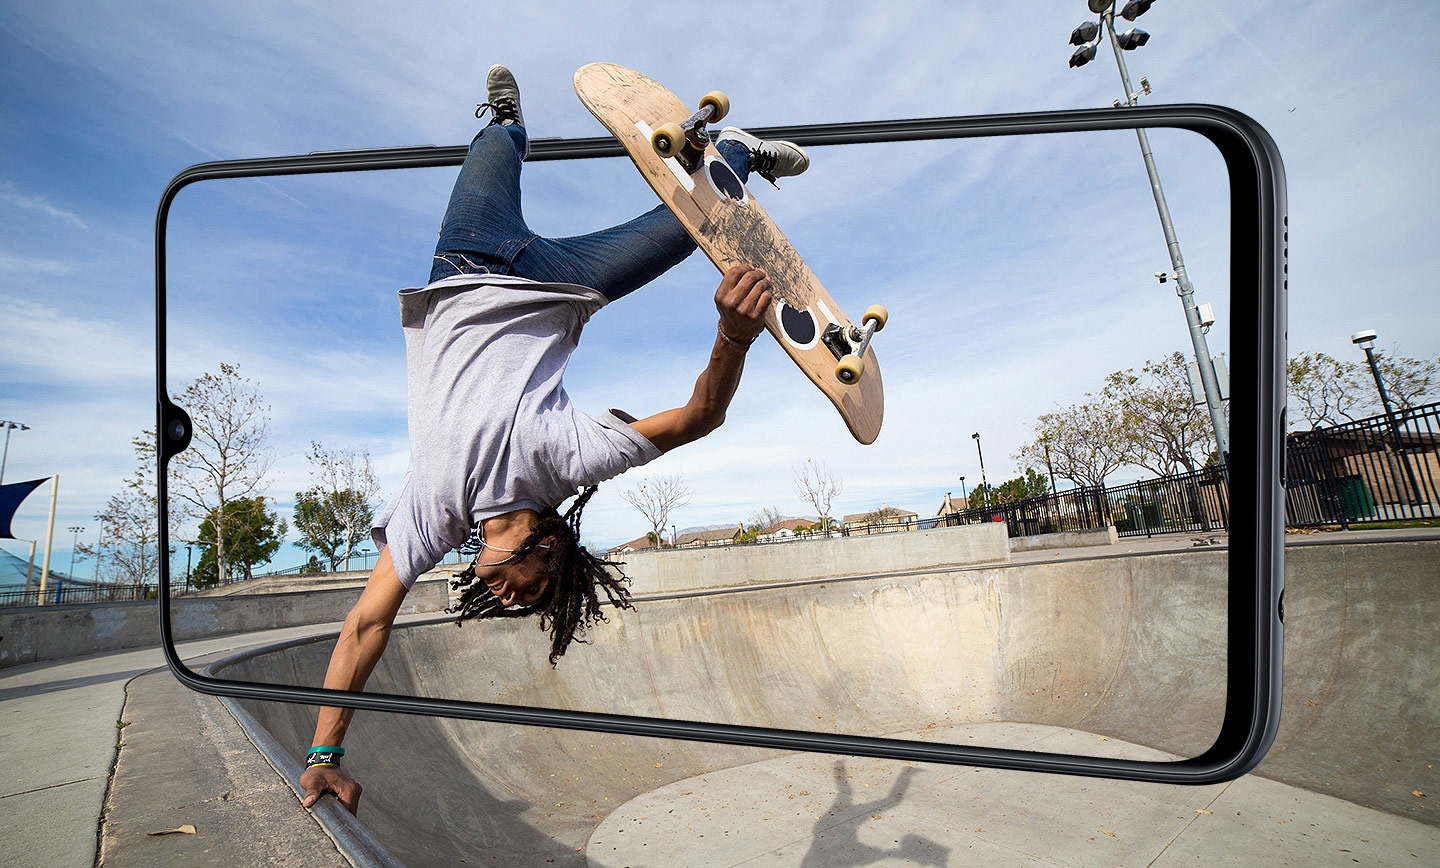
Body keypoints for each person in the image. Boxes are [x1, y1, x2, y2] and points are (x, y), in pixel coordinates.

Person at [299, 65, 810, 814]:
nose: (500, 592)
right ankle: (736, 155)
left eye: (500, 595)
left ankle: (504, 122)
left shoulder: (433, 515)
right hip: (561, 280)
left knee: (500, 140)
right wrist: (733, 337)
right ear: (550, 549)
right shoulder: (566, 463)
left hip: (463, 257)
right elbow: (699, 417)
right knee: (696, 222)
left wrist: (324, 754)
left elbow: (366, 623)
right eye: (525, 589)